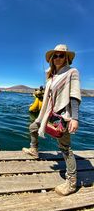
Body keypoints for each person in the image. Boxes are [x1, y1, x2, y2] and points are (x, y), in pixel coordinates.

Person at [23, 44, 81, 196]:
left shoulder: (71, 72)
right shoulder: (53, 75)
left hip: (62, 117)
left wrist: (74, 118)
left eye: (61, 55)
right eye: (55, 56)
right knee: (33, 127)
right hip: (48, 113)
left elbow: (74, 95)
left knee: (65, 148)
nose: (57, 58)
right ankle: (34, 150)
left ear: (67, 58)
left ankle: (72, 182)